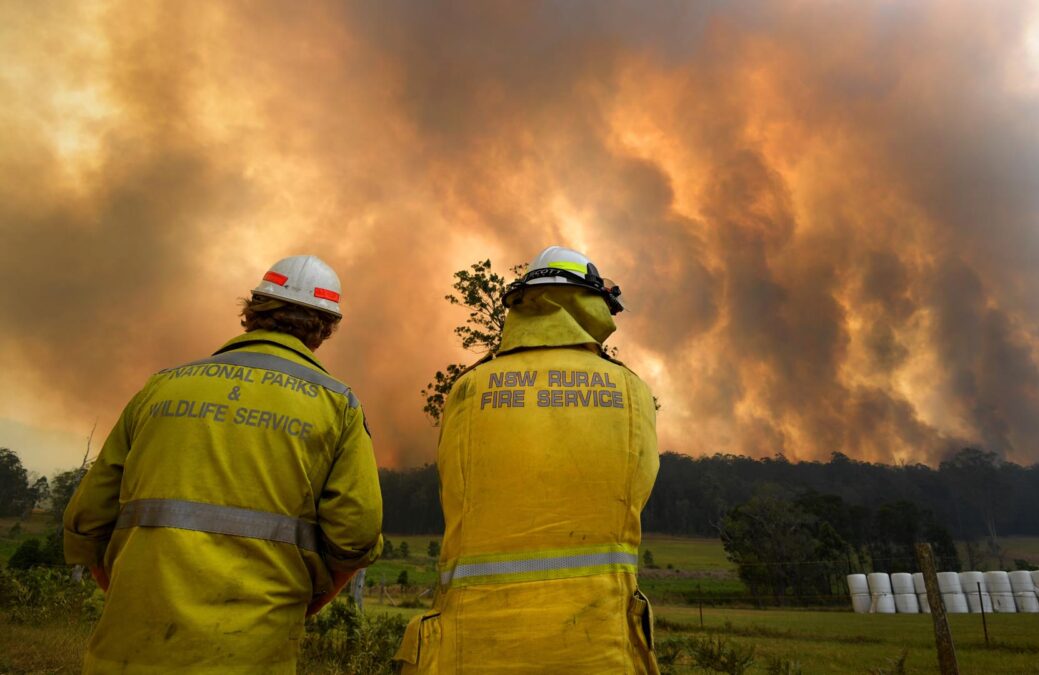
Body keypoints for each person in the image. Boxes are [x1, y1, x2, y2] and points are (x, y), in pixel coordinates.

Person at [63, 255, 383, 674]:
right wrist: (304, 606)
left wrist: (127, 596)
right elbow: (357, 535)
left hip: (123, 654)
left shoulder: (163, 386)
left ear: (253, 311)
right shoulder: (336, 405)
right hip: (250, 655)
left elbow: (86, 520)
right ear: (324, 328)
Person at [397, 246, 660, 673]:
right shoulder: (632, 392)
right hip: (598, 649)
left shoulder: (468, 388)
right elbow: (637, 493)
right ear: (592, 303)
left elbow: (452, 489)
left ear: (521, 304)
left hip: (471, 650)